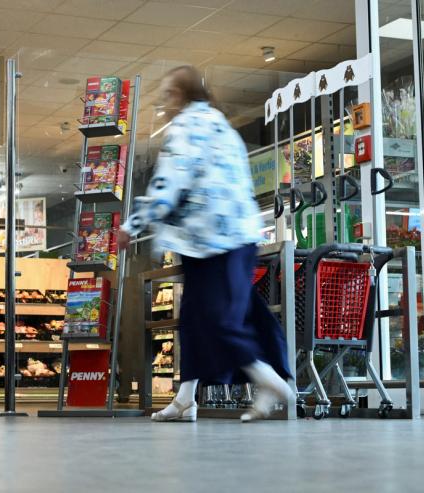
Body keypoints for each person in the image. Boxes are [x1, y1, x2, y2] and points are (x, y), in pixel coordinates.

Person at [117, 66, 293, 423]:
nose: (164, 103)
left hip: (210, 240)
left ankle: (271, 381)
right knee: (207, 319)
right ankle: (187, 399)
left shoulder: (185, 127)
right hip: (240, 235)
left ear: (182, 96)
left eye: (167, 94)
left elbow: (170, 182)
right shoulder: (222, 126)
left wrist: (133, 224)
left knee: (215, 320)